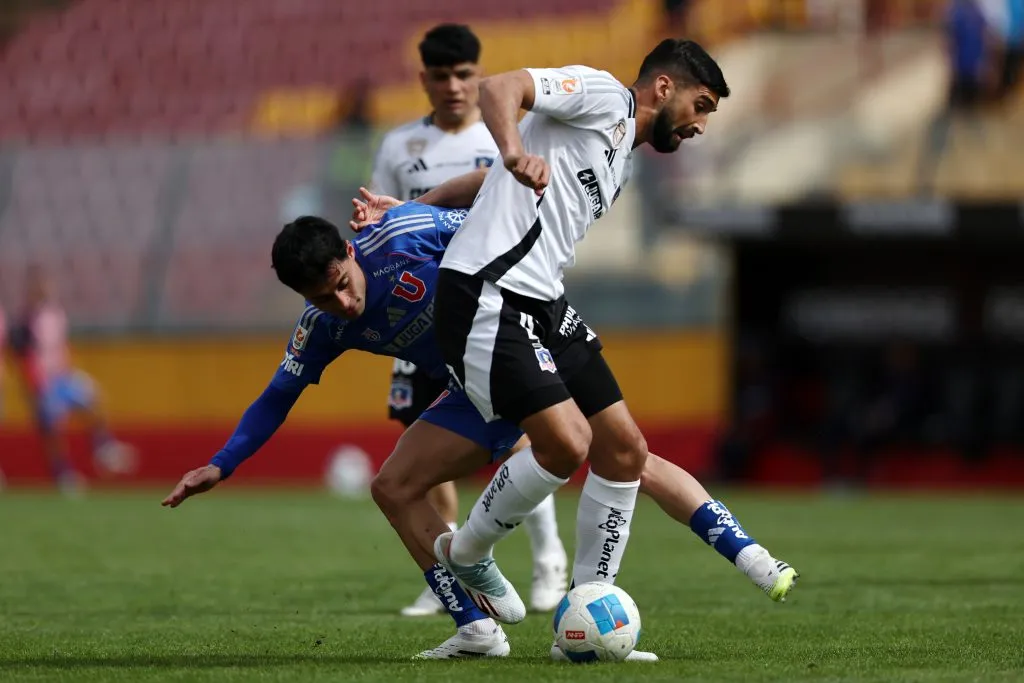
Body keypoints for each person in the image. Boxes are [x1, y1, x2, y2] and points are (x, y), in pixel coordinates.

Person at [420, 39, 797, 660]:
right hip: (487, 293)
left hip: (543, 301)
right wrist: (514, 150)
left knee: (624, 451)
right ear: (664, 88)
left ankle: (586, 614)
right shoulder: (599, 94)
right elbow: (499, 89)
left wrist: (425, 202)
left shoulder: (621, 157)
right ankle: (466, 552)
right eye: (701, 106)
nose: (701, 125)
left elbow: (491, 186)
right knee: (567, 444)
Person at [369, 23, 566, 617]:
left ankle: (548, 556)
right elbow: (384, 226)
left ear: (478, 76)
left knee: (520, 434)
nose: (453, 86)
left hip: (499, 303)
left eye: (463, 75)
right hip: (423, 317)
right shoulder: (400, 148)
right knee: (421, 438)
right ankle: (447, 572)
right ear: (423, 80)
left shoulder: (502, 136)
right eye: (440, 76)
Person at [7, 266, 135, 493]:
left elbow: (61, 344)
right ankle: (62, 473)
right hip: (43, 383)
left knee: (93, 398)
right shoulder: (24, 320)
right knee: (52, 430)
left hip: (63, 377)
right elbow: (23, 356)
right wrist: (35, 387)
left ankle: (102, 447)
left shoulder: (56, 313)